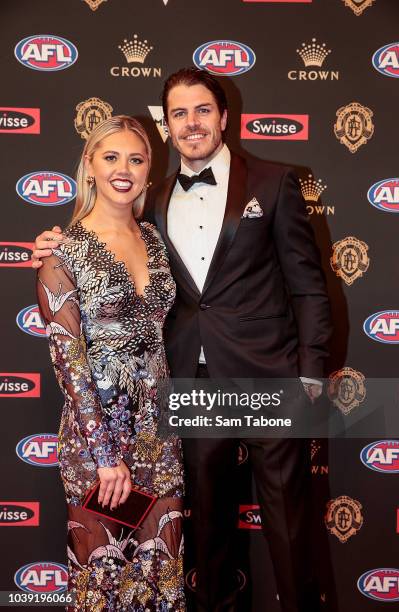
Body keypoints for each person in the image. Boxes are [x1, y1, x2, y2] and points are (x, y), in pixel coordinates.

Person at [33, 68, 331, 612]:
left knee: (289, 526)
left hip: (268, 379)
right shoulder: (157, 203)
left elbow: (310, 287)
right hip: (186, 389)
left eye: (201, 110)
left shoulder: (274, 181)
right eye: (178, 114)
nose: (191, 122)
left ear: (223, 116)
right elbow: (96, 258)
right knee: (206, 531)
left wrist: (309, 373)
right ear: (166, 126)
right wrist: (57, 244)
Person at [35, 115, 185, 611]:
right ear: (90, 167)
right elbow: (69, 364)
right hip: (97, 443)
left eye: (137, 159)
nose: (125, 169)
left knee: (161, 579)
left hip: (159, 439)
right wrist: (103, 455)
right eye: (111, 157)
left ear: (148, 172)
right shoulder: (64, 253)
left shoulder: (157, 244)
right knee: (101, 586)